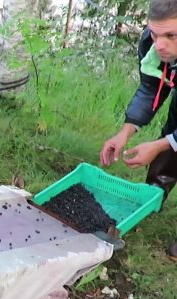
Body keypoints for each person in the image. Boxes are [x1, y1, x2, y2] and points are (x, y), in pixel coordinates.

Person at [99, 0, 177, 258]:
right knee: (171, 137)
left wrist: (159, 145)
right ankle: (152, 199)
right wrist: (126, 130)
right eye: (155, 34)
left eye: (171, 35)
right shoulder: (153, 44)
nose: (160, 44)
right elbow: (151, 88)